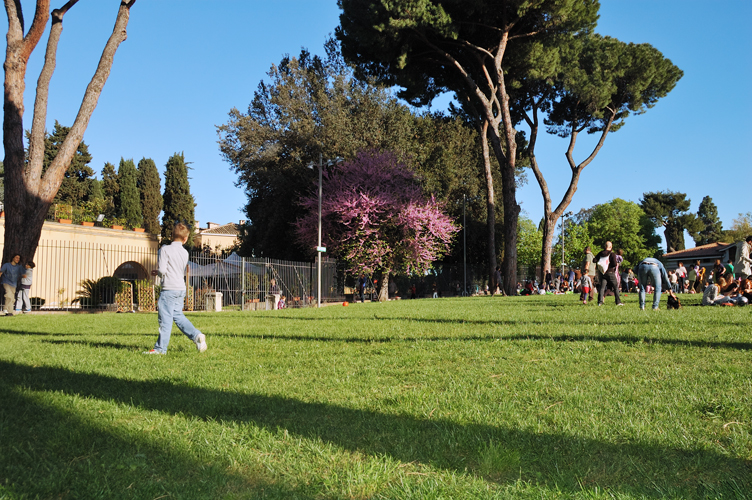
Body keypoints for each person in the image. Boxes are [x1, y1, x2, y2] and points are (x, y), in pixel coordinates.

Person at [144, 222, 207, 355]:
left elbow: (162, 270)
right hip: (180, 288)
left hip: (169, 289)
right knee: (178, 316)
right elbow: (176, 269)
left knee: (165, 319)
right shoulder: (185, 253)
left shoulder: (165, 250)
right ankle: (197, 335)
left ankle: (160, 349)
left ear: (172, 235)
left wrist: (158, 273)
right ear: (185, 239)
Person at [595, 241, 623, 306]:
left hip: (602, 272)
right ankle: (618, 302)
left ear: (605, 246)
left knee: (602, 287)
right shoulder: (612, 254)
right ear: (610, 247)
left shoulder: (601, 253)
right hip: (610, 272)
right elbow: (614, 264)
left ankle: (600, 302)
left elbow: (594, 260)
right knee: (615, 287)